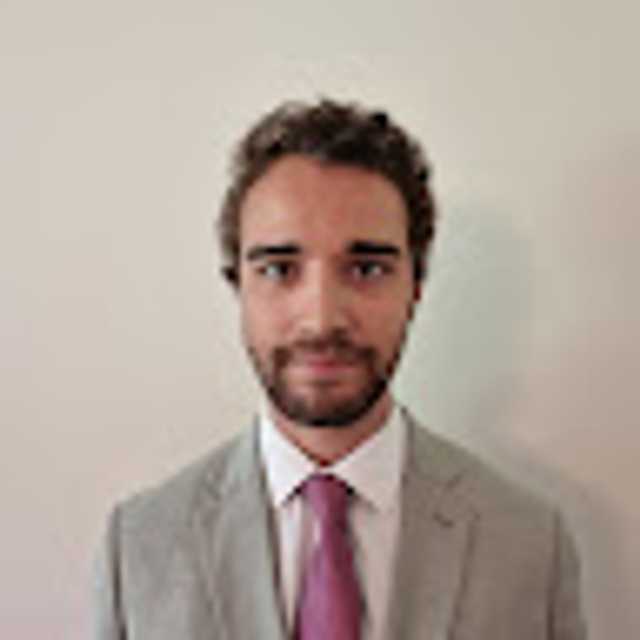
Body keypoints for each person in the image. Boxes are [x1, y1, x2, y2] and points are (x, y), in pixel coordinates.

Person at [94, 99, 587, 639]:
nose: (322, 318)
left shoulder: (529, 545)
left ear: (416, 287)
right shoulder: (139, 550)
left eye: (367, 268)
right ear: (238, 285)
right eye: (279, 269)